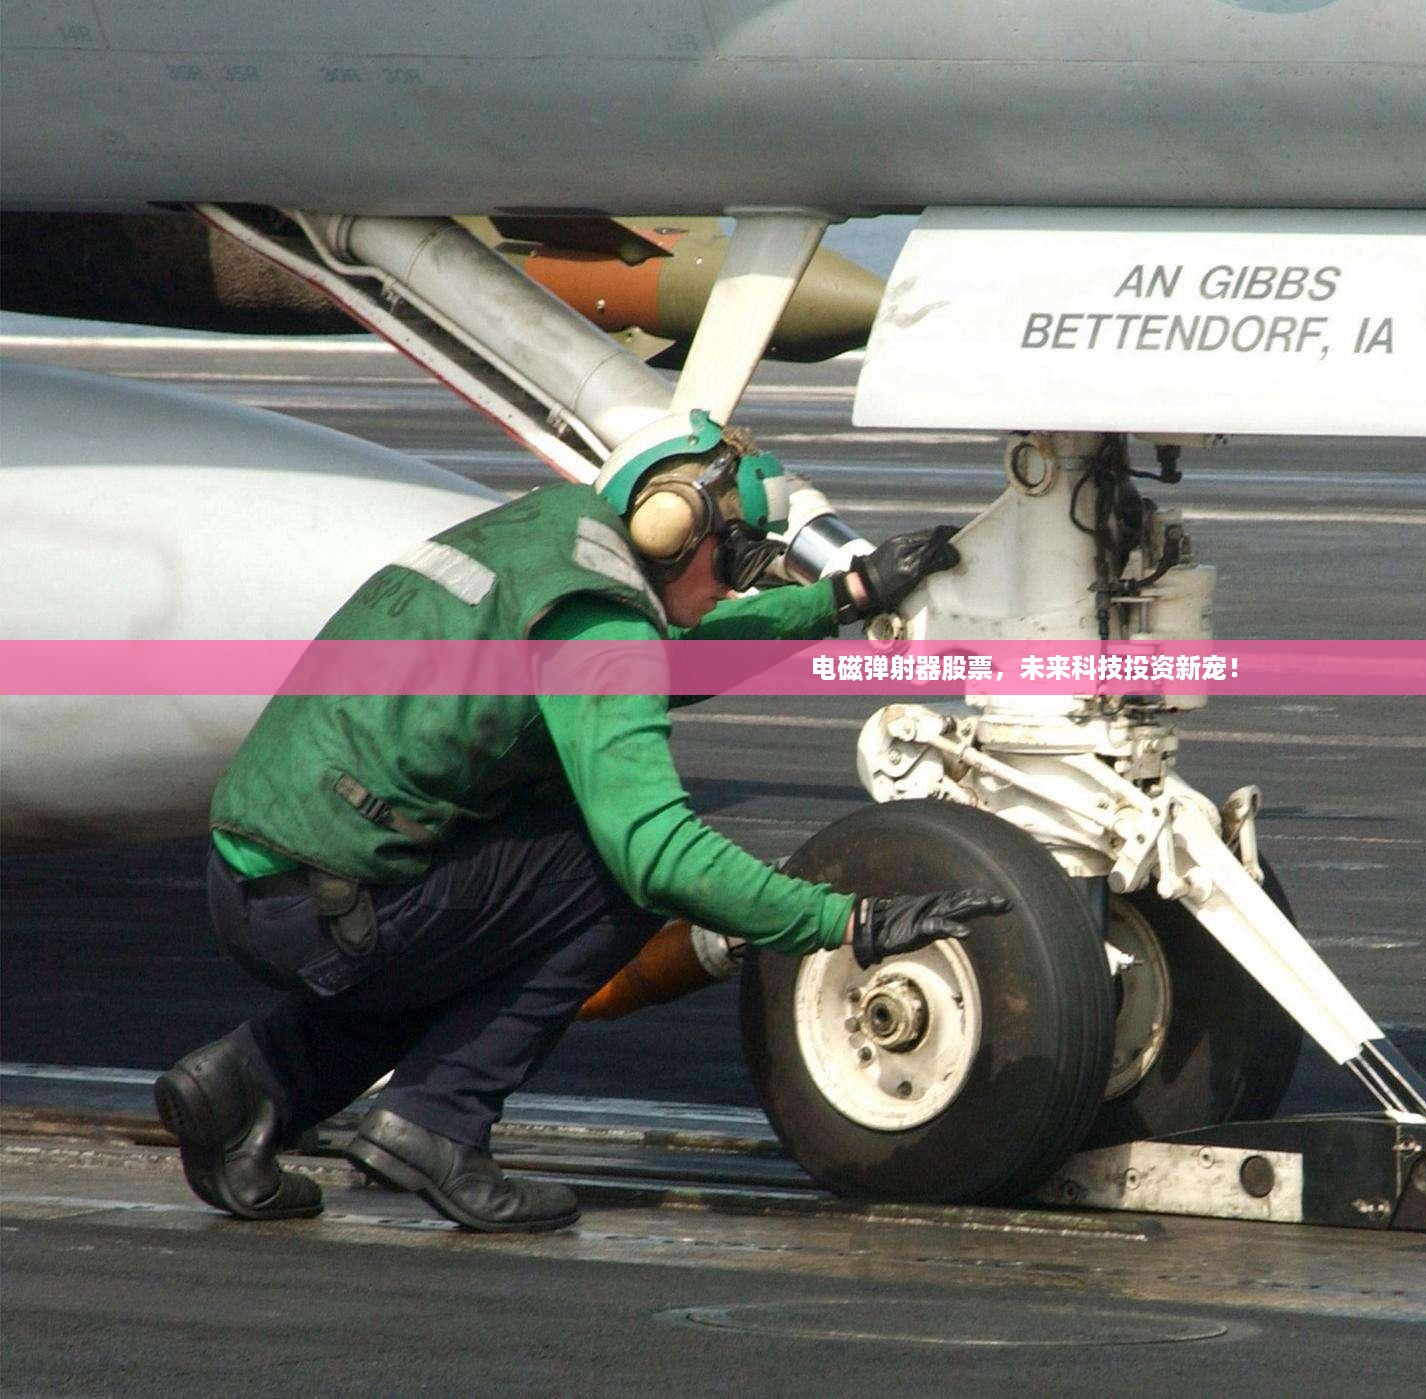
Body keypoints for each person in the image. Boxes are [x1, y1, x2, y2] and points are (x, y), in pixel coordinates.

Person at [154, 413, 999, 1234]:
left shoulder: (552, 534)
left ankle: (245, 1084)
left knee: (493, 901)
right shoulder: (600, 621)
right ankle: (437, 1124)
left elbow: (669, 646)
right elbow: (660, 853)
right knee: (609, 876)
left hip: (263, 880)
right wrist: (843, 921)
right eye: (735, 559)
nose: (736, 585)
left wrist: (842, 597)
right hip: (332, 911)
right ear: (679, 529)